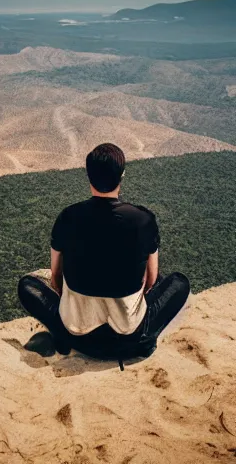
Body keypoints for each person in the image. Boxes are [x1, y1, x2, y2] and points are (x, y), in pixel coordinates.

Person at [18, 143, 190, 366]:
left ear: (88, 176)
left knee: (27, 286)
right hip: (130, 337)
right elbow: (152, 279)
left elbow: (56, 277)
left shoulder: (68, 217)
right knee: (178, 282)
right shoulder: (143, 219)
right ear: (122, 175)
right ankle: (147, 342)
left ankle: (60, 337)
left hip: (77, 336)